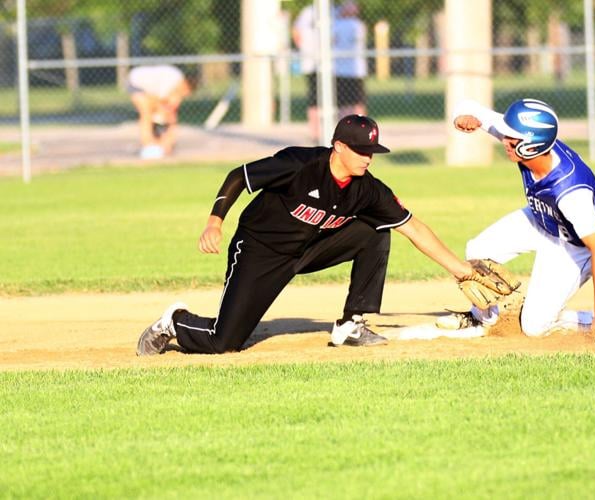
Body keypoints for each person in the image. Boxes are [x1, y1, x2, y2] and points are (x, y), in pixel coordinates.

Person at [136, 115, 474, 356]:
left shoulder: (368, 190)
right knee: (224, 342)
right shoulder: (299, 165)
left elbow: (413, 227)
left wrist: (462, 270)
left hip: (310, 249)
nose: (368, 158)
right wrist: (215, 222)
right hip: (259, 250)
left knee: (376, 230)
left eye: (371, 152)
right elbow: (239, 176)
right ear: (338, 146)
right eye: (360, 151)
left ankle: (351, 324)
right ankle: (174, 322)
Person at [443, 97, 595, 336]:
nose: (504, 140)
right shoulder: (527, 143)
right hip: (542, 218)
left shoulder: (571, 193)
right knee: (477, 250)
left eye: (511, 137)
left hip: (575, 245)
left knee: (534, 327)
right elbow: (467, 107)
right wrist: (462, 118)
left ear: (532, 145)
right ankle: (483, 319)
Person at [127, 64, 193, 159]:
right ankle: (149, 144)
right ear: (185, 84)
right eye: (184, 93)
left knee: (164, 115)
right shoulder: (171, 81)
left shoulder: (176, 81)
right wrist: (165, 113)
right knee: (147, 113)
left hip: (149, 88)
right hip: (136, 83)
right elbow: (161, 102)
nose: (183, 95)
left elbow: (168, 104)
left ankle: (164, 143)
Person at [332, 0, 367, 117]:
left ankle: (347, 126)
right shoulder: (359, 25)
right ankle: (359, 127)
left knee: (347, 104)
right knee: (356, 103)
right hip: (351, 70)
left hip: (344, 70)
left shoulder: (337, 24)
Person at [292, 5, 321, 142]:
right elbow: (296, 30)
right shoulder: (308, 12)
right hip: (311, 63)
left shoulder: (333, 11)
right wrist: (303, 48)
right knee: (314, 99)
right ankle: (315, 133)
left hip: (331, 65)